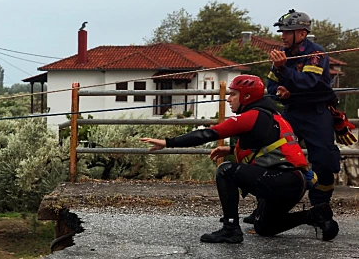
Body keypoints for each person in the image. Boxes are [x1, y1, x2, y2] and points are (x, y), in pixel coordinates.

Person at [141, 74, 337, 244]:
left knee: (226, 170)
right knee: (264, 227)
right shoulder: (273, 115)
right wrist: (230, 149)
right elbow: (267, 146)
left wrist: (167, 142)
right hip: (294, 182)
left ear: (247, 96)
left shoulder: (250, 116)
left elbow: (208, 134)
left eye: (233, 94)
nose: (228, 99)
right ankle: (314, 215)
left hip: (281, 180)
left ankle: (230, 229)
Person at [262, 9, 353, 237]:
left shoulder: (316, 55)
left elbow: (309, 83)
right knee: (272, 155)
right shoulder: (281, 56)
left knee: (324, 162)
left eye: (287, 32)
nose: (282, 36)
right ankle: (264, 209)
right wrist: (279, 91)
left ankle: (319, 209)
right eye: (281, 31)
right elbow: (271, 85)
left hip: (317, 114)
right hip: (292, 113)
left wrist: (285, 72)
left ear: (301, 33)